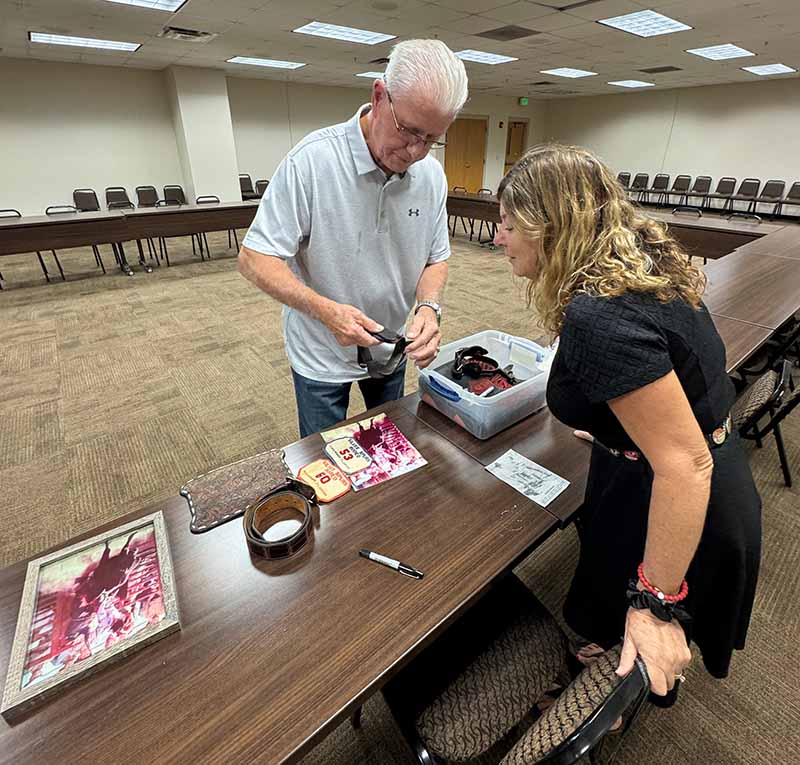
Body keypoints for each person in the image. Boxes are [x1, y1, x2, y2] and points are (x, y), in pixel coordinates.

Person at [494, 145, 761, 699]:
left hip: (680, 492)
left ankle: (605, 703)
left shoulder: (599, 314)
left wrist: (656, 600)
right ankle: (605, 674)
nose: (498, 238)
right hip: (678, 467)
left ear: (551, 227)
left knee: (635, 637)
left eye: (508, 224)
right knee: (602, 612)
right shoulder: (643, 267)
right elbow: (674, 378)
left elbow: (685, 465)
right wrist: (616, 425)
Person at [238, 40, 468, 438]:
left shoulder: (430, 175)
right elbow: (255, 258)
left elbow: (436, 257)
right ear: (379, 96)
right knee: (326, 460)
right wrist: (326, 311)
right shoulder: (312, 161)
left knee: (391, 446)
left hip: (393, 347)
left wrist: (429, 309)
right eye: (409, 131)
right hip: (322, 352)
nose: (416, 151)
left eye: (432, 138)